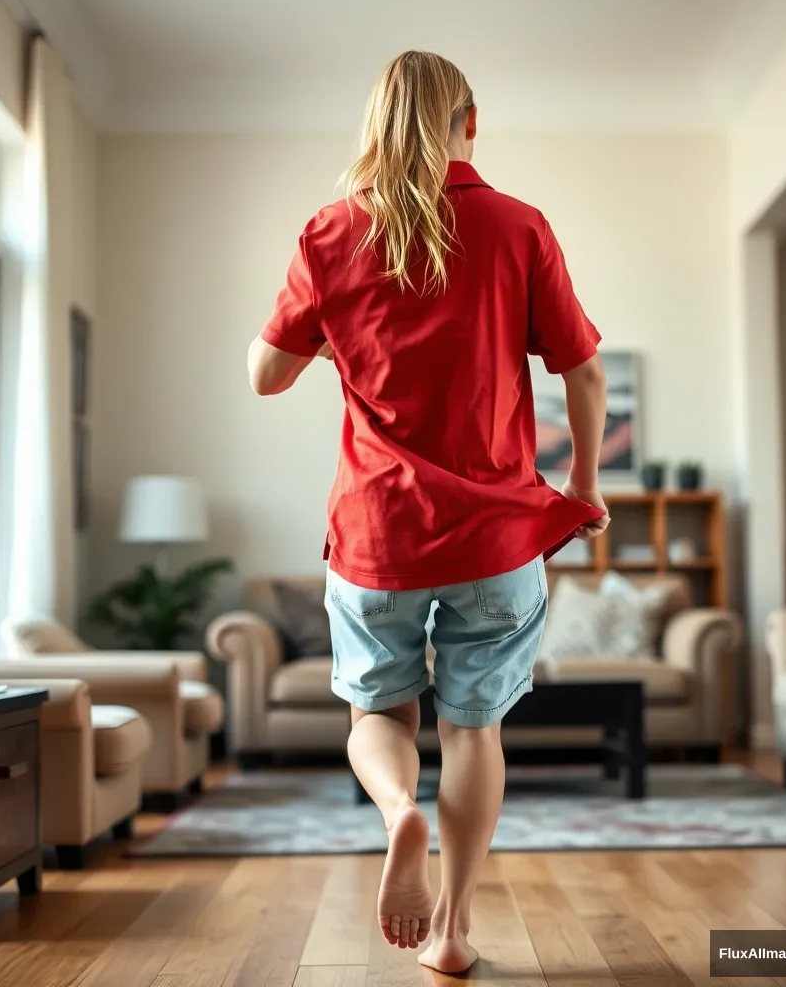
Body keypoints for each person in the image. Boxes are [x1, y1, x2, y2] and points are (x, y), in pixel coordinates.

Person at [248, 50, 609, 975]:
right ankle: (450, 930)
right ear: (471, 123)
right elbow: (582, 370)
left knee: (381, 714)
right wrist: (585, 488)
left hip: (377, 538)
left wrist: (335, 346)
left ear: (374, 127)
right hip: (495, 538)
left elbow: (264, 376)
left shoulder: (331, 231)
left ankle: (398, 811)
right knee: (474, 728)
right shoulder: (518, 226)